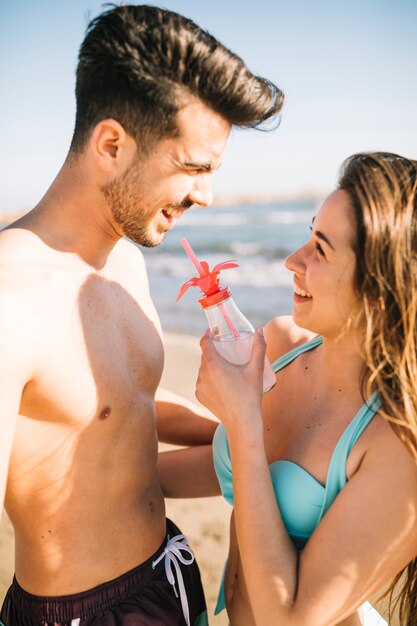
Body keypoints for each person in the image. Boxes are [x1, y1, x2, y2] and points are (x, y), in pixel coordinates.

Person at [0, 4, 284, 625]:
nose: (206, 195)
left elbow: (124, 406)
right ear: (111, 145)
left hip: (170, 573)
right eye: (194, 167)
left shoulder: (126, 260)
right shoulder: (8, 300)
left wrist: (251, 435)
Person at [158, 152, 417, 625]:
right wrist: (109, 475)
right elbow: (235, 471)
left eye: (321, 248)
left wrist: (242, 423)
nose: (292, 260)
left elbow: (290, 617)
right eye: (308, 233)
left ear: (382, 286)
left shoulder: (398, 447)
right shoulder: (279, 345)